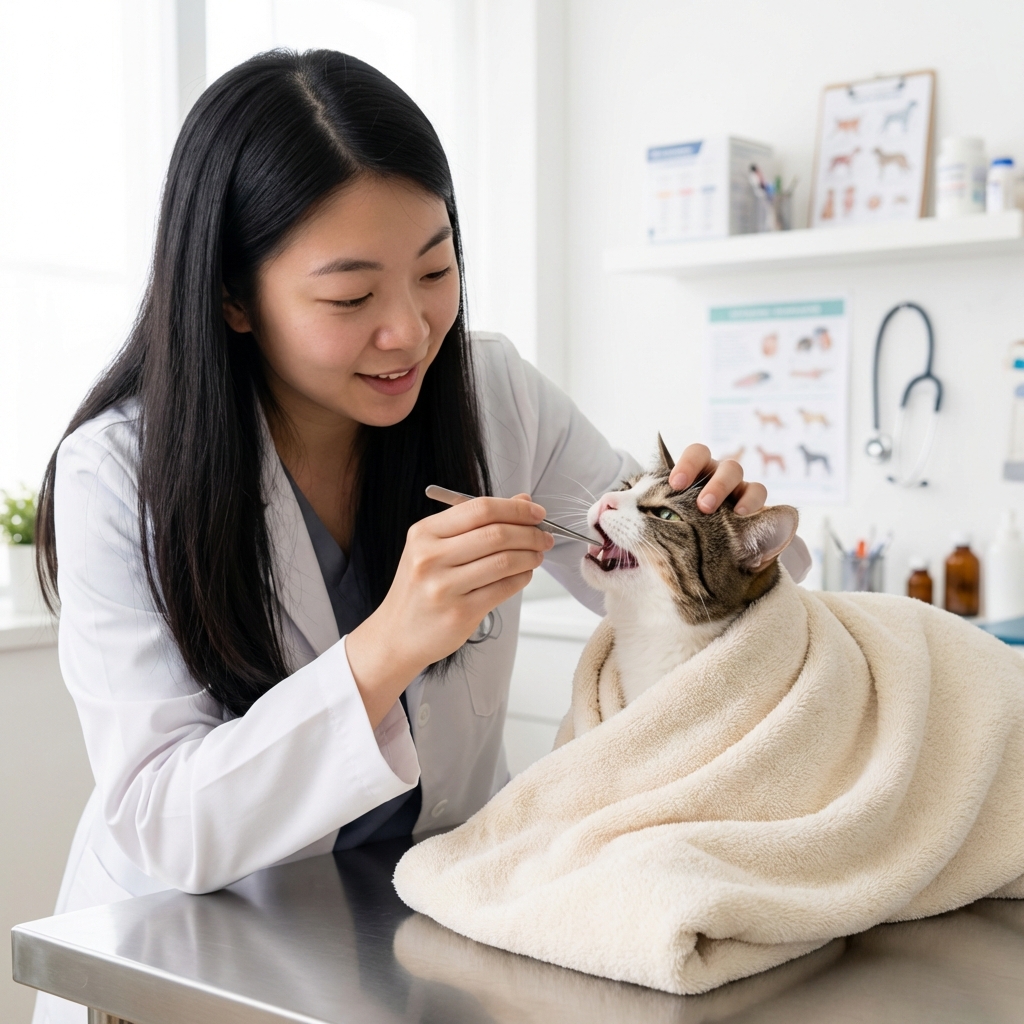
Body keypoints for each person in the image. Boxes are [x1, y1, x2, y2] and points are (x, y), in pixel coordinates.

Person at [32, 49, 792, 1024]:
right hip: (181, 950)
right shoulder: (117, 475)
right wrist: (388, 644)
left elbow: (685, 613)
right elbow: (159, 824)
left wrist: (723, 540)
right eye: (350, 298)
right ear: (232, 297)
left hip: (426, 926)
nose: (410, 329)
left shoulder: (493, 392)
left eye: (435, 269)